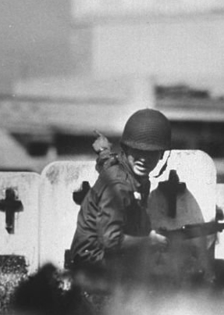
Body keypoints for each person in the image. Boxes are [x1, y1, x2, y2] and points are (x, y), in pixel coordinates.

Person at [68, 108, 171, 279]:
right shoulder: (119, 185)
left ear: (161, 155)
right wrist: (150, 241)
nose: (144, 159)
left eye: (151, 152)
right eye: (138, 150)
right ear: (126, 149)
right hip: (93, 266)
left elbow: (108, 164)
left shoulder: (129, 173)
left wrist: (103, 151)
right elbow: (111, 241)